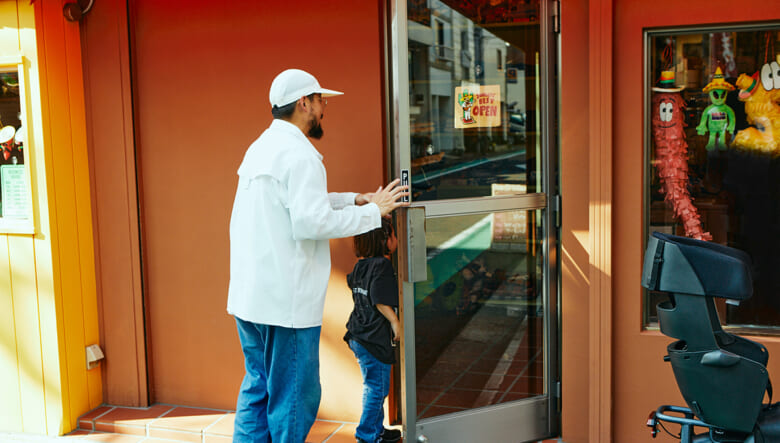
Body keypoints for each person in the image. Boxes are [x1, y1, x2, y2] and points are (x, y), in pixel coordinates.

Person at [227, 68, 408, 443]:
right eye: (320, 100)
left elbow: (297, 207)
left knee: (257, 389)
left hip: (250, 298)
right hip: (286, 306)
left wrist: (355, 200)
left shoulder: (261, 148)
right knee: (296, 397)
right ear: (304, 103)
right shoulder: (301, 156)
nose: (325, 107)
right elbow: (311, 222)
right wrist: (373, 213)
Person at [344, 217, 402, 443]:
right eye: (394, 235)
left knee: (376, 386)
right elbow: (379, 298)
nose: (396, 239)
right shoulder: (382, 265)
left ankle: (376, 429)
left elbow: (353, 284)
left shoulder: (361, 265)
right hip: (372, 340)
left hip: (358, 335)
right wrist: (395, 321)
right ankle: (366, 435)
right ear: (384, 241)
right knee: (376, 389)